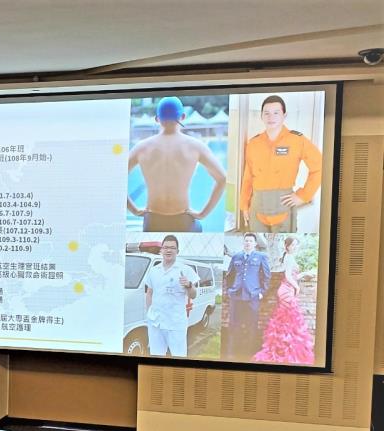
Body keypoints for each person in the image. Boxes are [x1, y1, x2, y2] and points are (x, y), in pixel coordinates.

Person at [127, 96, 227, 232]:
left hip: (153, 220)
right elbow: (222, 178)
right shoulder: (196, 146)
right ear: (183, 116)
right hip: (184, 219)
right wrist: (203, 214)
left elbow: (116, 178)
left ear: (157, 119)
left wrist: (133, 210)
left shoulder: (141, 147)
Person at [240, 95, 322, 233]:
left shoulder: (297, 140)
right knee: (258, 242)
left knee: (282, 242)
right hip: (257, 208)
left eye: (276, 113)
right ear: (261, 116)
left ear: (284, 115)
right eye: (266, 113)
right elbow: (247, 177)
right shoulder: (253, 144)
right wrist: (244, 205)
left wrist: (303, 195)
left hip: (283, 206)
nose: (271, 117)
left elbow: (320, 167)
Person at [254, 237, 314, 364]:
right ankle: (283, 350)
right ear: (287, 246)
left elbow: (293, 276)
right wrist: (297, 287)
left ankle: (284, 348)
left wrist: (304, 274)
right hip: (286, 290)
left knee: (287, 320)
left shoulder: (288, 257)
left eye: (296, 245)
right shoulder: (289, 257)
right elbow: (288, 276)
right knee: (289, 318)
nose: (295, 247)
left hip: (287, 289)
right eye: (293, 245)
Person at [145, 234, 198, 357]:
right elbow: (149, 293)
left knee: (178, 356)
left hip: (175, 323)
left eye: (172, 248)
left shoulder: (185, 270)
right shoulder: (154, 270)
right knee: (156, 356)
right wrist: (149, 313)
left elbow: (193, 295)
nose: (168, 250)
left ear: (177, 251)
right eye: (166, 247)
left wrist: (189, 285)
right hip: (155, 322)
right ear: (161, 250)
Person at [224, 233, 271, 360]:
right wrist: (229, 290)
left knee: (252, 325)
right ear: (243, 242)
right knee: (234, 324)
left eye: (250, 241)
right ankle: (232, 353)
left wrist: (262, 292)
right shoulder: (236, 256)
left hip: (252, 296)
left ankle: (249, 354)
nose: (248, 243)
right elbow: (229, 275)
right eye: (246, 241)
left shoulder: (261, 256)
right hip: (237, 295)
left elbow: (267, 276)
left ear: (255, 244)